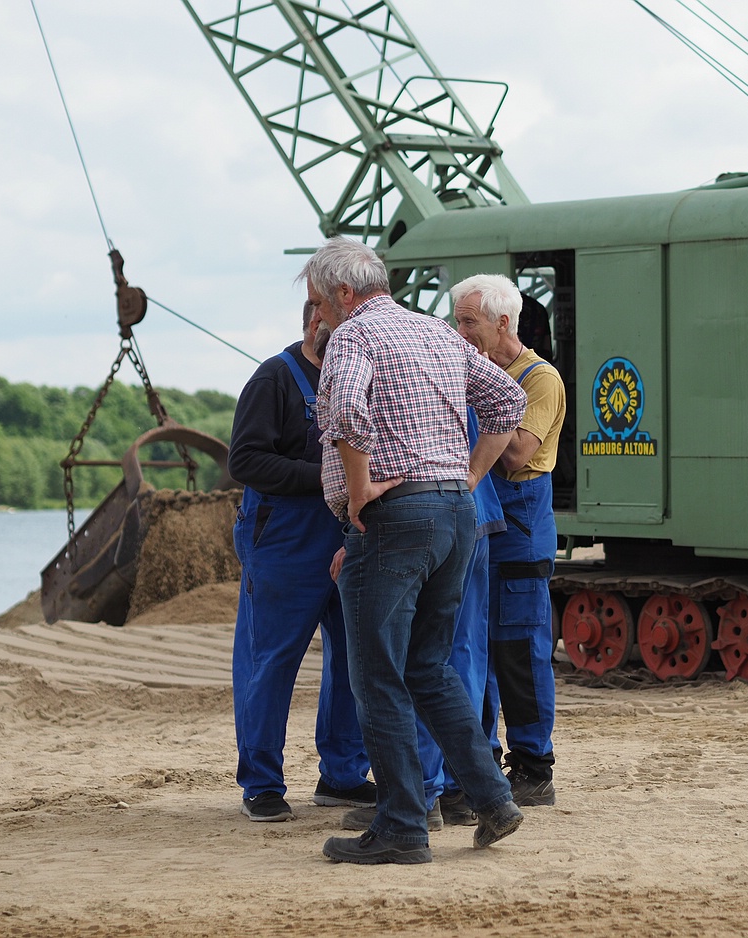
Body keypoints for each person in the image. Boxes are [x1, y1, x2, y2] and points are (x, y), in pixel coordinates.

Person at [305, 237, 530, 865]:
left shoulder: (355, 335)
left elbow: (346, 415)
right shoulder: (436, 332)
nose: (318, 317)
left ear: (344, 293)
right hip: (453, 517)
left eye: (319, 303)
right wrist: (463, 479)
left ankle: (403, 826)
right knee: (429, 667)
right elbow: (508, 401)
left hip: (395, 516)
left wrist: (359, 498)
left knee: (377, 675)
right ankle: (492, 799)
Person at [227, 300, 375, 822]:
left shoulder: (360, 371)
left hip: (349, 535)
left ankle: (343, 775)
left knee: (354, 661)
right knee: (270, 660)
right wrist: (325, 478)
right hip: (283, 541)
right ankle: (261, 783)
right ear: (314, 322)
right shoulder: (275, 378)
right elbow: (243, 460)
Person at [451, 274, 566, 807]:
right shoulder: (472, 370)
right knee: (476, 647)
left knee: (519, 651)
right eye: (457, 320)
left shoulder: (541, 380)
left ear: (503, 323)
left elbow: (517, 453)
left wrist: (474, 407)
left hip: (521, 525)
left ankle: (533, 765)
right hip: (479, 520)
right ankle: (483, 761)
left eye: (469, 321)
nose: (460, 330)